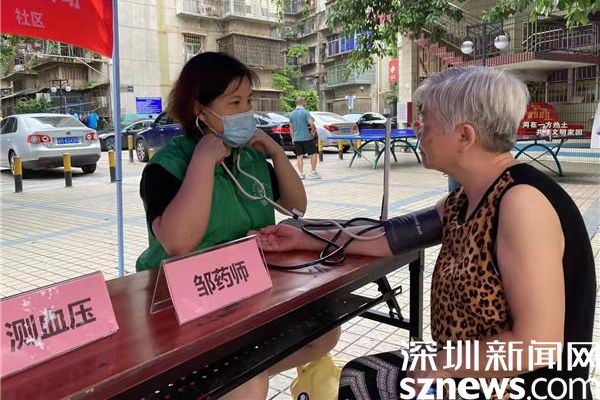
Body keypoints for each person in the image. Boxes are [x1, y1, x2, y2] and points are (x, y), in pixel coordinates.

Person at [254, 67, 596, 400]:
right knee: (359, 375)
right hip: (471, 367)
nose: (419, 129)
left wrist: (441, 363)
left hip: (521, 385)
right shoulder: (464, 200)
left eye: (426, 121)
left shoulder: (522, 203)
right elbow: (389, 236)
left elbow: (539, 346)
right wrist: (304, 236)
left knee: (364, 385)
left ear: (464, 137)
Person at [136, 52, 340, 400]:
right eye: (234, 103)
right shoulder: (167, 167)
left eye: (248, 101)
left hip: (248, 294)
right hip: (186, 306)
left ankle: (231, 379)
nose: (246, 112)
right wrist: (203, 162)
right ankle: (232, 380)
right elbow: (178, 243)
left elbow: (295, 207)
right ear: (200, 109)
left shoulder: (249, 157)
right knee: (248, 385)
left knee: (324, 332)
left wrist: (276, 153)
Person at [289, 97, 320, 179]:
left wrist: (292, 138)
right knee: (314, 153)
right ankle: (313, 172)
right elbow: (311, 123)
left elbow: (291, 128)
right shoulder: (306, 112)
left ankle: (301, 174)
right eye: (304, 102)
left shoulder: (291, 114)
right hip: (306, 137)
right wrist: (313, 131)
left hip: (297, 138)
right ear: (302, 103)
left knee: (299, 156)